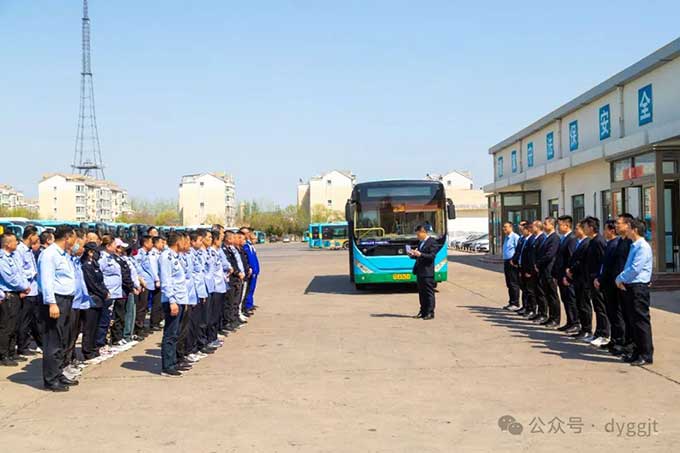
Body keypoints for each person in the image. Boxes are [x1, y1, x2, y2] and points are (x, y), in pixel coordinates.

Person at [38, 225, 77, 391]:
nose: (75, 241)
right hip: (56, 301)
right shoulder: (50, 254)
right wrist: (52, 303)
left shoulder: (64, 254)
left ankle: (58, 373)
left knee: (62, 339)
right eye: (74, 237)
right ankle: (50, 379)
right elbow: (46, 281)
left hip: (66, 300)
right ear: (67, 237)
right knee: (53, 341)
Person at [616, 218, 654, 366]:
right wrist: (623, 279)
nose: (627, 230)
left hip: (639, 287)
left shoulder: (642, 246)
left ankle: (646, 354)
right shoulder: (634, 245)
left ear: (635, 230)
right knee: (633, 322)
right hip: (631, 286)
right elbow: (629, 266)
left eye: (629, 227)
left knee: (641, 321)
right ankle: (637, 352)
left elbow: (635, 268)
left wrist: (620, 278)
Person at [594, 220, 628, 351]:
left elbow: (611, 267)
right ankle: (614, 340)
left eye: (606, 229)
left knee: (616, 314)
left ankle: (619, 340)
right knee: (611, 314)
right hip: (606, 283)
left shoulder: (616, 244)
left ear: (612, 231)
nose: (604, 232)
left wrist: (602, 279)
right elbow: (604, 265)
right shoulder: (610, 243)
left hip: (612, 284)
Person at [159, 232, 188, 377]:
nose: (186, 244)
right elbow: (166, 281)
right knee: (170, 334)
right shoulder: (166, 257)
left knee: (176, 333)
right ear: (178, 242)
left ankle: (173, 361)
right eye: (184, 241)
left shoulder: (176, 256)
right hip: (172, 300)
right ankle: (167, 366)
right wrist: (172, 301)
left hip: (180, 299)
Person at [0, 232, 30, 366]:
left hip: (17, 294)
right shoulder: (2, 259)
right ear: (7, 244)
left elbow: (20, 273)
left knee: (14, 326)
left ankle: (12, 352)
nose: (16, 243)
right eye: (13, 241)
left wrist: (25, 287)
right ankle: (3, 355)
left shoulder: (13, 256)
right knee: (7, 326)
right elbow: (10, 278)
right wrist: (23, 287)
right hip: (8, 295)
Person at [15, 225, 43, 356]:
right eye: (36, 235)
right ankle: (22, 346)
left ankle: (37, 343)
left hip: (34, 289)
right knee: (24, 321)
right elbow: (19, 270)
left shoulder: (29, 250)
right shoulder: (20, 250)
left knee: (34, 319)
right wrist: (33, 273)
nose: (37, 238)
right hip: (26, 290)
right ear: (30, 236)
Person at [81, 241, 108, 362]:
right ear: (90, 252)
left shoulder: (94, 264)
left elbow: (100, 281)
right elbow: (91, 283)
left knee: (96, 326)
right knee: (89, 327)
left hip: (99, 299)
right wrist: (103, 293)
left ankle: (93, 347)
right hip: (92, 299)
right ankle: (87, 350)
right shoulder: (86, 265)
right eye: (96, 252)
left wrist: (105, 291)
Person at [582, 217, 607, 345]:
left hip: (597, 280)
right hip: (591, 279)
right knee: (597, 307)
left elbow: (603, 262)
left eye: (585, 227)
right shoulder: (592, 241)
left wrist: (599, 277)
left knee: (601, 308)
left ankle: (604, 334)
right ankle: (598, 333)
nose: (584, 229)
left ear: (591, 228)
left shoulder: (599, 241)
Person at [565, 222, 591, 338]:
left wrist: (571, 270)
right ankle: (582, 328)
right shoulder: (578, 242)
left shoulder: (587, 243)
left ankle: (587, 329)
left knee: (584, 305)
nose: (575, 231)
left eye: (577, 228)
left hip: (583, 278)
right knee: (579, 304)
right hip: (576, 278)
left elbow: (582, 261)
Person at [534, 217, 560, 327]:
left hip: (549, 270)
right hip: (544, 270)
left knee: (553, 296)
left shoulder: (554, 238)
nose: (544, 226)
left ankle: (555, 319)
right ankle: (550, 317)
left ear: (552, 225)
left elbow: (549, 255)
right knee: (548, 295)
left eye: (546, 224)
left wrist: (538, 264)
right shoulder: (547, 237)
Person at [554, 215, 578, 332]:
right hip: (561, 275)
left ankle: (575, 322)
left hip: (566, 276)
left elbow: (571, 258)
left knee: (571, 300)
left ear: (567, 225)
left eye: (559, 225)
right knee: (566, 299)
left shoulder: (572, 239)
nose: (558, 228)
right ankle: (569, 321)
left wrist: (567, 276)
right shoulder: (563, 238)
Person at [408, 225, 437, 320]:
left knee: (429, 293)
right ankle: (423, 311)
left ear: (423, 232)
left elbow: (431, 256)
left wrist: (420, 254)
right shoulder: (421, 243)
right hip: (420, 271)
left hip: (427, 272)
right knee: (422, 293)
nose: (417, 236)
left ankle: (430, 312)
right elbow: (419, 256)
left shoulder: (432, 242)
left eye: (418, 234)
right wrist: (412, 254)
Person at [500, 222, 520, 311]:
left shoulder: (515, 237)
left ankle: (515, 303)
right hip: (506, 262)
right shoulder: (506, 238)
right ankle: (511, 302)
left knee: (513, 283)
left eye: (505, 227)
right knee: (509, 283)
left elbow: (518, 250)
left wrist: (515, 260)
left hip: (512, 262)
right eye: (503, 227)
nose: (504, 229)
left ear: (511, 227)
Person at [241, 227, 260, 314]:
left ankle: (250, 304)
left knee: (251, 289)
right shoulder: (245, 246)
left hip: (254, 270)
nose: (248, 234)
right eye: (246, 233)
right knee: (248, 289)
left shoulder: (249, 245)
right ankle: (247, 306)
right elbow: (247, 259)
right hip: (250, 271)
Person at [148, 236, 164, 330]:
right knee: (157, 302)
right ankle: (154, 322)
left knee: (160, 302)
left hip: (161, 280)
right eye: (161, 242)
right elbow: (153, 268)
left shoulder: (159, 253)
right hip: (157, 280)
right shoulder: (153, 254)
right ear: (156, 243)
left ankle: (158, 320)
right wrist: (157, 279)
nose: (163, 244)